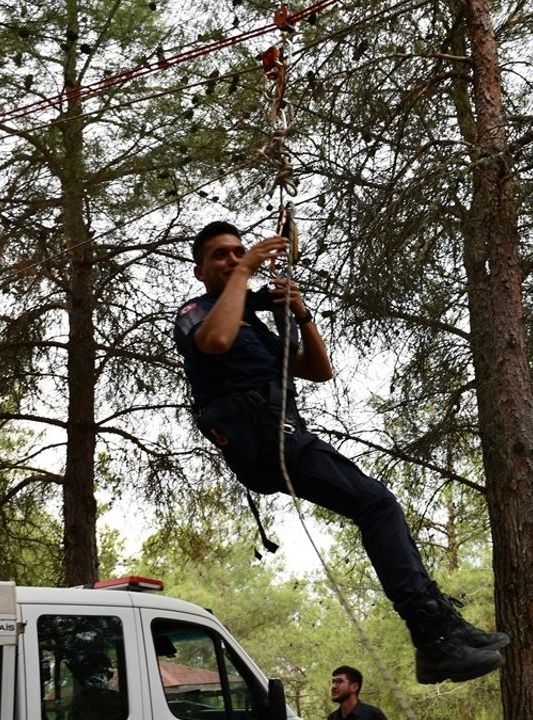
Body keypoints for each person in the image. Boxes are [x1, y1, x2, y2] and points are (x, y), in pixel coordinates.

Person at [173, 221, 508, 684]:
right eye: (220, 256)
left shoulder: (254, 320)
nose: (232, 260)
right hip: (264, 441)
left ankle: (443, 628)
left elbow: (318, 370)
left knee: (376, 504)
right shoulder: (197, 312)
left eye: (237, 252)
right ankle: (433, 638)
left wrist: (301, 314)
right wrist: (249, 269)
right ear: (199, 270)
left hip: (287, 436)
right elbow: (214, 342)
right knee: (377, 504)